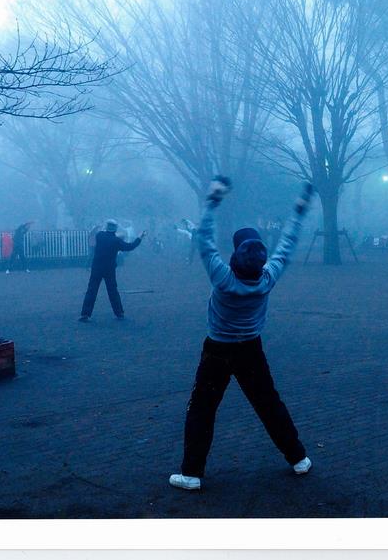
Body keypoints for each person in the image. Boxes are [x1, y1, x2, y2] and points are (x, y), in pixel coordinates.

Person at [169, 176, 313, 491]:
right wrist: (299, 211)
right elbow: (287, 244)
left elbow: (204, 239)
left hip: (217, 349)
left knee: (203, 408)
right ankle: (298, 458)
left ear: (235, 255)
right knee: (268, 403)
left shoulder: (222, 277)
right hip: (250, 348)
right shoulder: (268, 278)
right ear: (262, 257)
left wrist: (213, 201)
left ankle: (191, 472)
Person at [78, 220, 145, 322]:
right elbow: (130, 246)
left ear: (106, 227)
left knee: (91, 290)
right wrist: (140, 237)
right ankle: (119, 313)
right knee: (113, 291)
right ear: (115, 229)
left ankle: (85, 314)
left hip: (96, 268)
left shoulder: (100, 236)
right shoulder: (116, 241)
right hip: (109, 269)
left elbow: (96, 234)